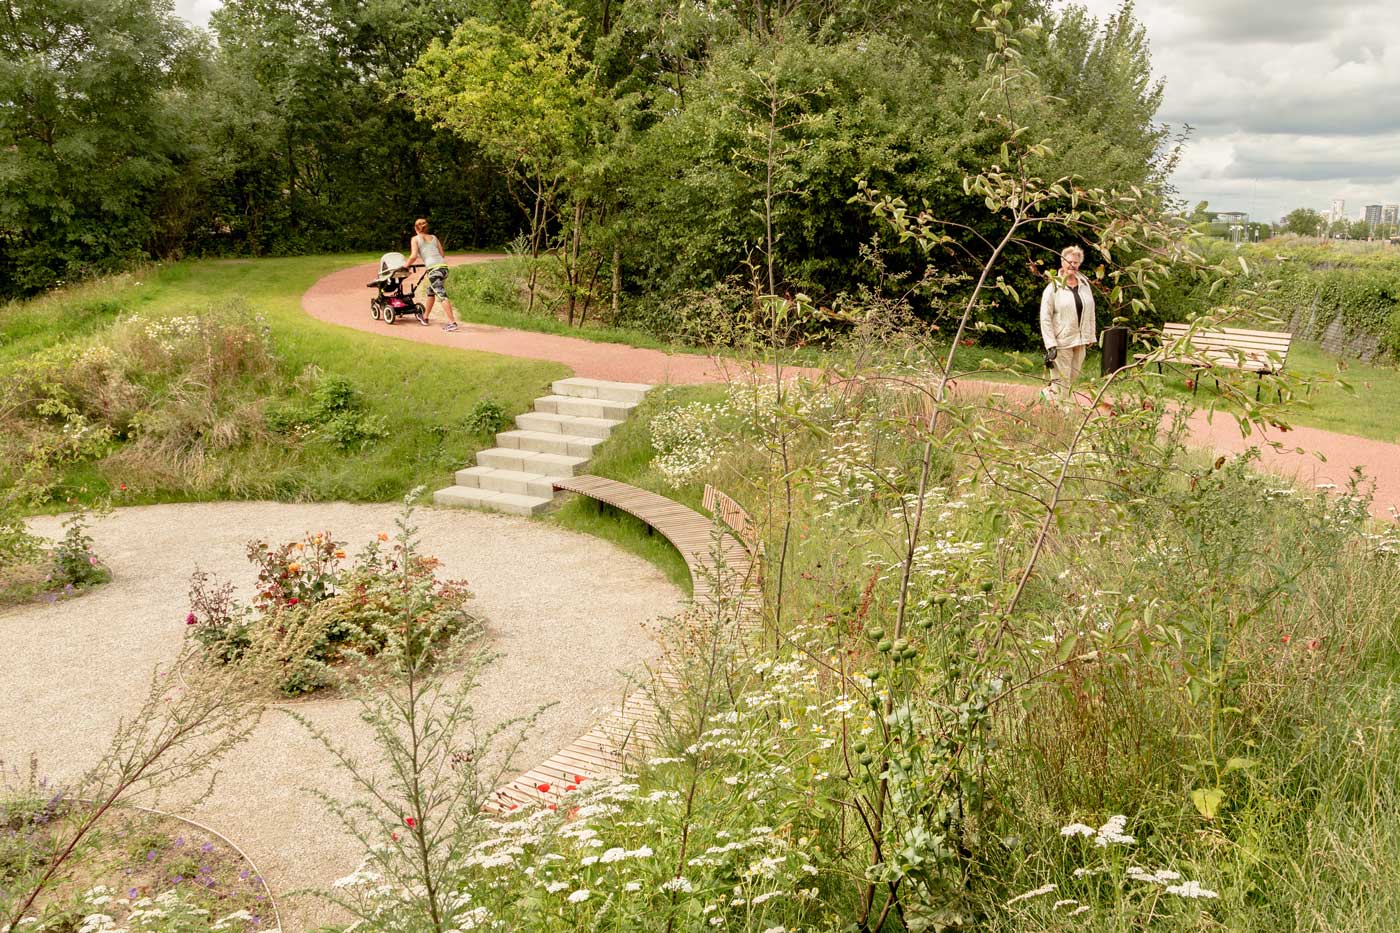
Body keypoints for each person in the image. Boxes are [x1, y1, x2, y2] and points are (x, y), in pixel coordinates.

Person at [1039, 245, 1097, 401]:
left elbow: (1090, 311)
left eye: (1076, 262)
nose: (1073, 265)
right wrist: (1050, 344)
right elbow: (1045, 318)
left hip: (1080, 340)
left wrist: (1091, 335)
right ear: (1062, 261)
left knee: (1072, 377)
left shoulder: (1085, 286)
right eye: (1069, 261)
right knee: (1064, 380)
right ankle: (1065, 409)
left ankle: (1048, 395)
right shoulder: (1052, 288)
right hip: (1061, 341)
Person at [405, 218, 459, 332]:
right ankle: (425, 317)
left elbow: (413, 256)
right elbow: (442, 254)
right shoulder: (434, 237)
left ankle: (452, 322)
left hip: (434, 270)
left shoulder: (415, 239)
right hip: (443, 268)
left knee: (441, 295)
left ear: (415, 228)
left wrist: (405, 266)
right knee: (431, 291)